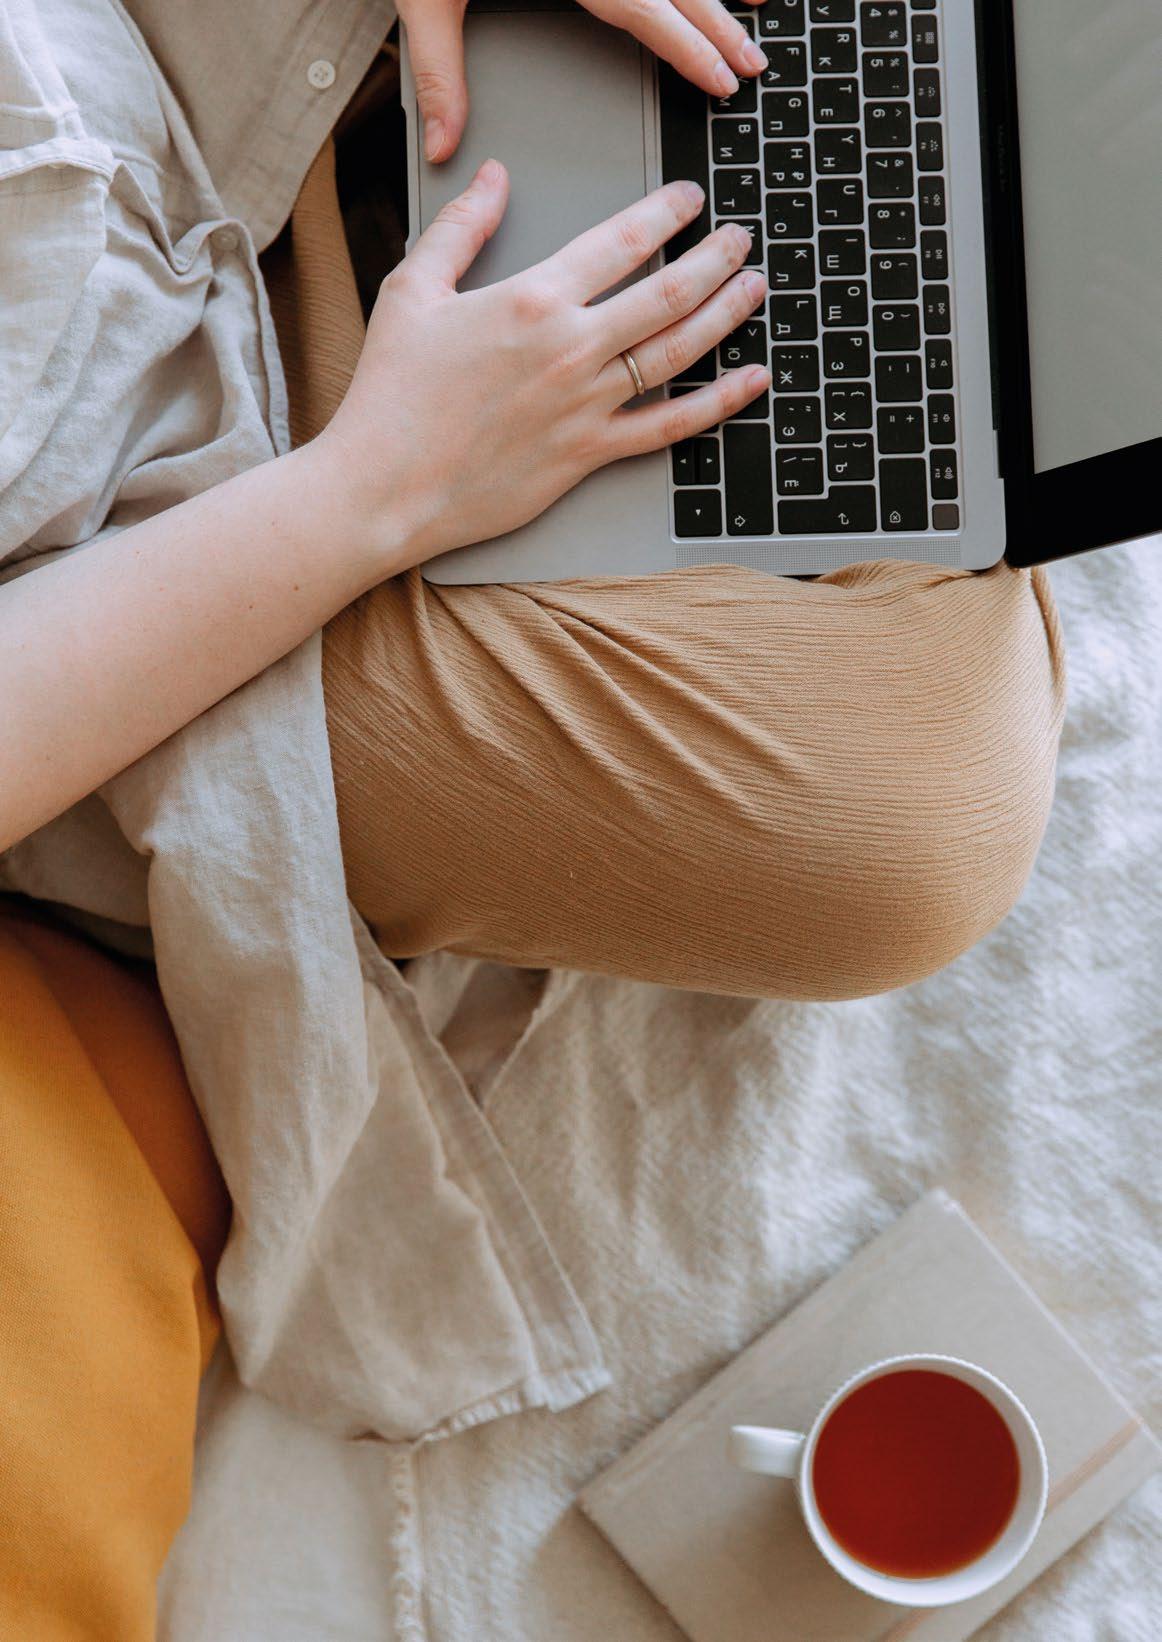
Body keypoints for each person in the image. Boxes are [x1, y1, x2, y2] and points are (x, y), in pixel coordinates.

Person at [0, 0, 1065, 1634]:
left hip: (162, 70)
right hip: (126, 551)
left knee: (889, 115)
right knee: (908, 826)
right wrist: (377, 489)